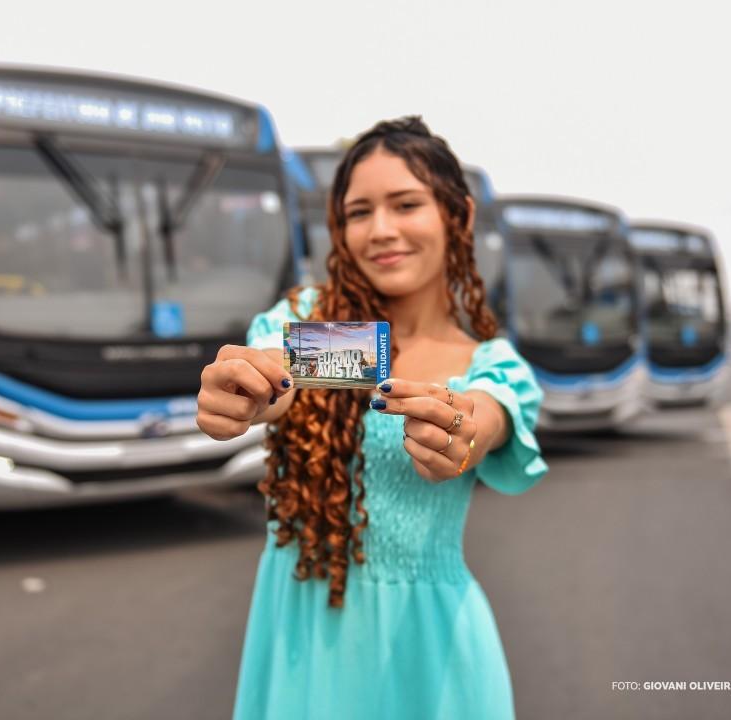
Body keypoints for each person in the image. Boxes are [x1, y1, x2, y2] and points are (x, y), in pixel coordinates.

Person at [195, 116, 547, 720]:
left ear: (457, 216)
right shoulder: (329, 328)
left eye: (405, 204)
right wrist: (248, 391)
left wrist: (465, 432)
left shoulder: (490, 362)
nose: (381, 230)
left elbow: (487, 416)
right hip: (300, 638)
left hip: (430, 652)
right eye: (359, 213)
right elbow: (281, 377)